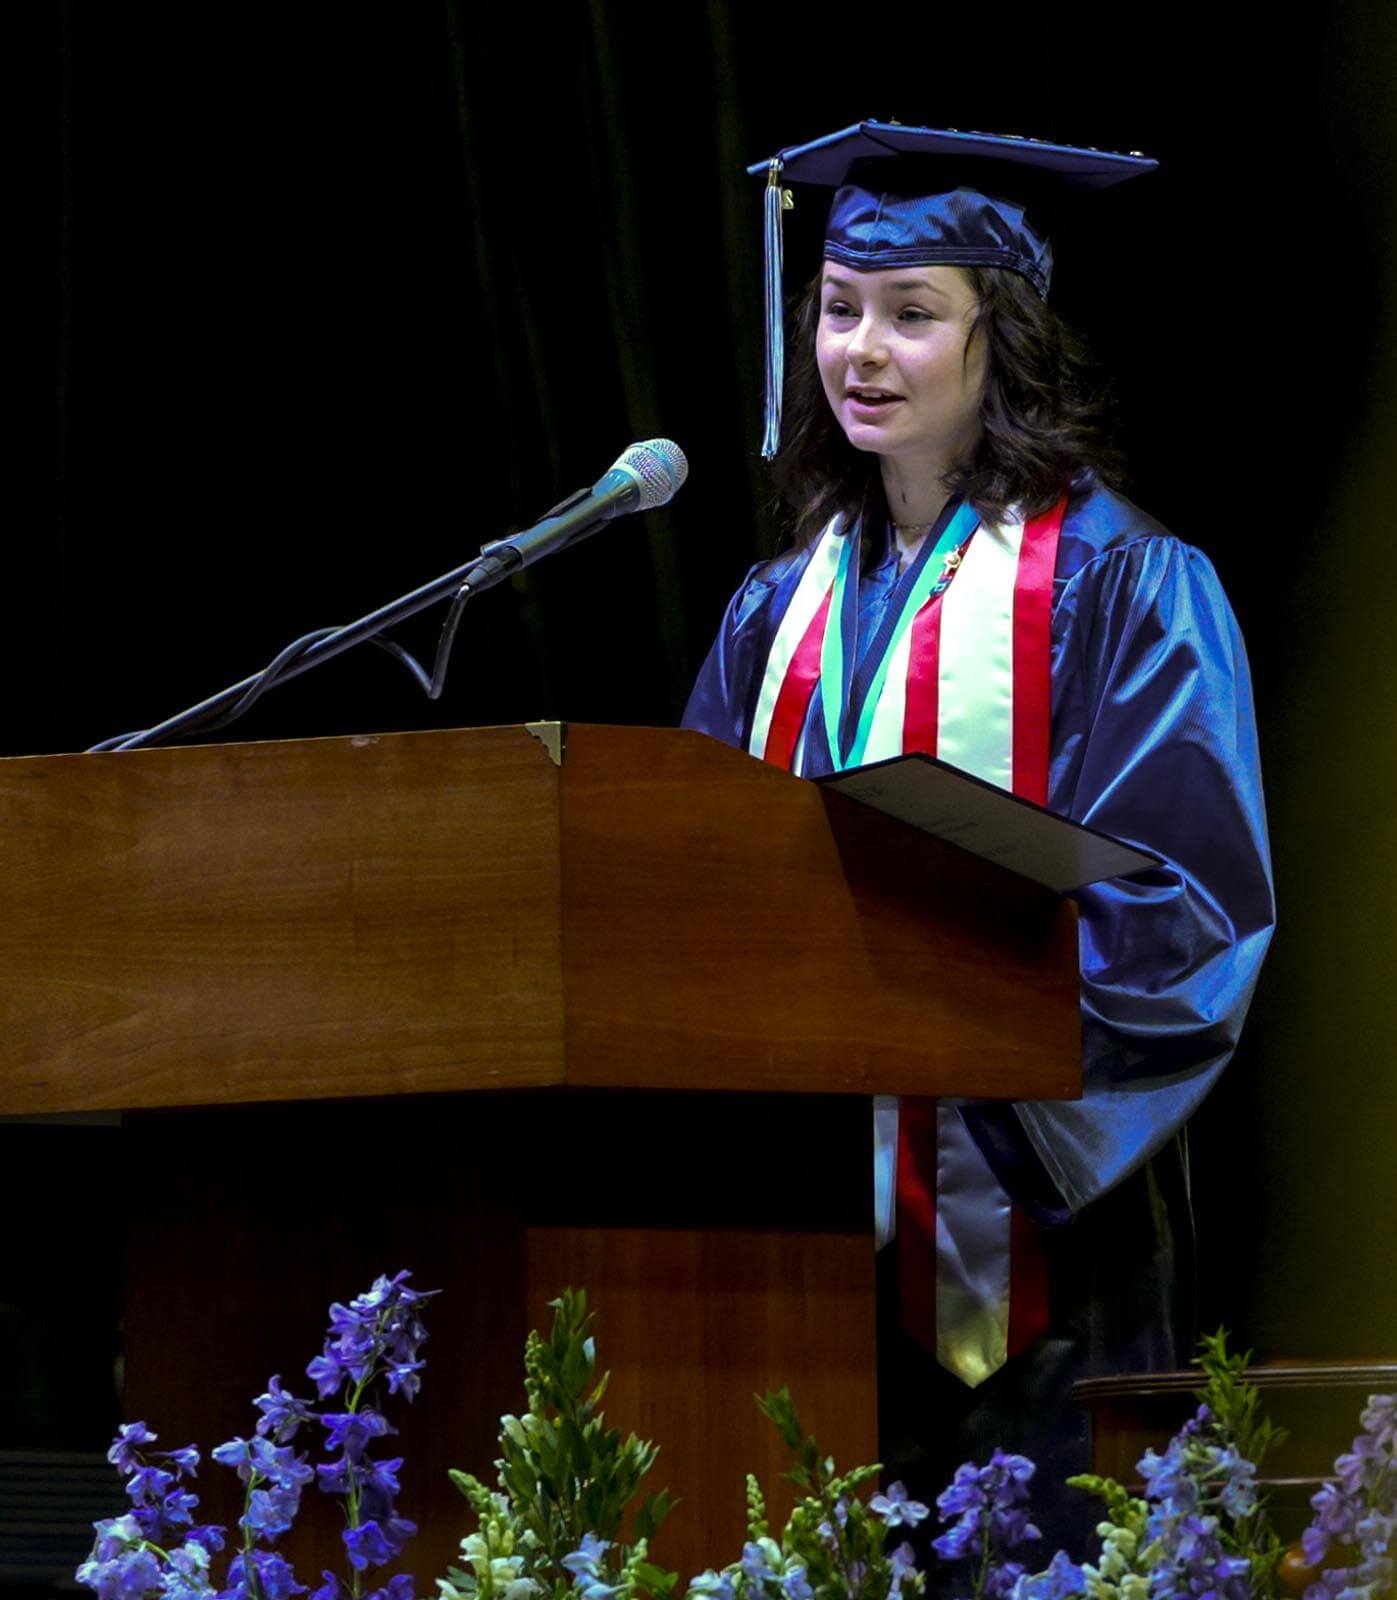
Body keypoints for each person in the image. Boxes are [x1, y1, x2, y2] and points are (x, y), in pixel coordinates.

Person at [681, 122, 1275, 1549]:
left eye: (910, 314)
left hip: (1045, 1232)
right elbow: (685, 878)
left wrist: (989, 1123)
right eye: (835, 310)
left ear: (1000, 337)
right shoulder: (779, 607)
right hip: (806, 1219)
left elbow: (1183, 907)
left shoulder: (1128, 583)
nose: (859, 353)